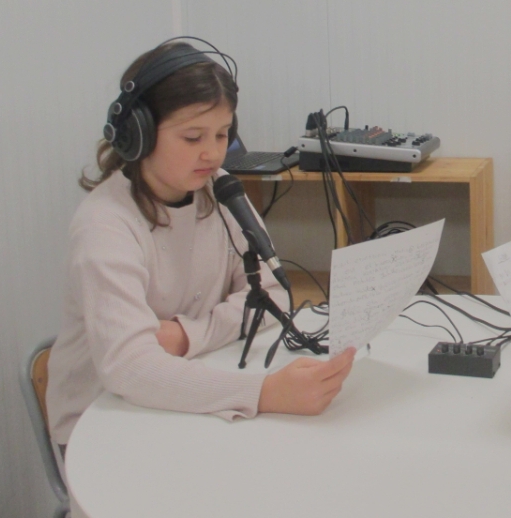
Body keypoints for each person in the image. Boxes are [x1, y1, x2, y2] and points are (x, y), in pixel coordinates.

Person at [47, 39, 354, 447]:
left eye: (222, 134)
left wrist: (187, 336)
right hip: (103, 428)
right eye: (192, 137)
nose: (212, 154)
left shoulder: (219, 191)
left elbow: (274, 295)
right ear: (138, 134)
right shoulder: (104, 225)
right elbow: (130, 367)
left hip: (184, 402)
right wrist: (263, 393)